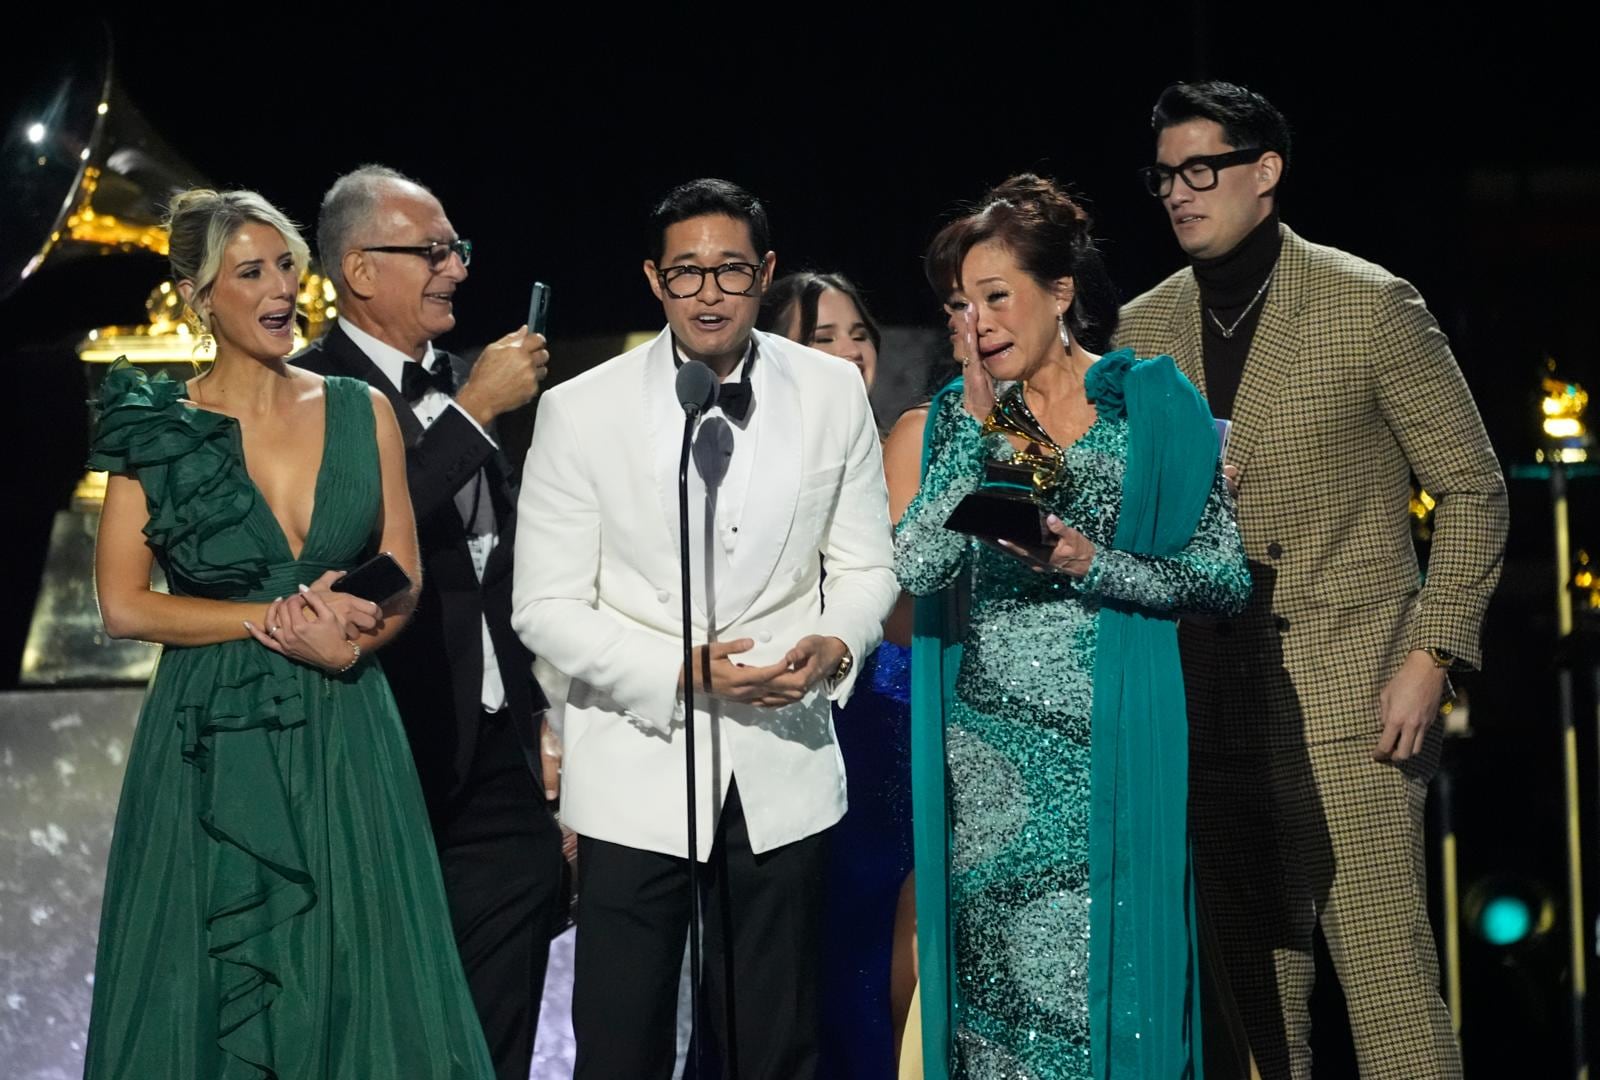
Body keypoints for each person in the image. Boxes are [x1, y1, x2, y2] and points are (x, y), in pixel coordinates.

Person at [1114, 81, 1507, 1080]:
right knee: (1251, 1024)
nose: (1179, 191)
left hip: (1353, 701)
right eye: (1164, 176)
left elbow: (1472, 487)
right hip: (1201, 709)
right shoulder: (1140, 330)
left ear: (1265, 171)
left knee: (1389, 1001)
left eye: (1200, 169)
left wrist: (1432, 654)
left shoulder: (1367, 305)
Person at [83, 189, 493, 1078]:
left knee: (362, 977)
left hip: (348, 724)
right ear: (198, 297)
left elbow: (402, 572)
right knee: (206, 984)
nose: (280, 291)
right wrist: (269, 620)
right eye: (251, 273)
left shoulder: (360, 408)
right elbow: (123, 604)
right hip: (211, 742)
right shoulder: (157, 426)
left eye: (287, 269)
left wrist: (356, 643)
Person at [511, 178, 898, 1080]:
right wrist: (679, 670)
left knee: (776, 1048)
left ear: (765, 272)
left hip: (783, 765)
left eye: (730, 270)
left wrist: (839, 640)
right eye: (686, 272)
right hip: (633, 769)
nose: (709, 293)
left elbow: (867, 566)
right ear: (655, 280)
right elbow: (545, 605)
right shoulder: (582, 409)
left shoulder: (830, 391)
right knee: (621, 1049)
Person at [894, 173, 1252, 1079]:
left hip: (1114, 736)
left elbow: (1224, 579)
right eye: (961, 305)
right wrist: (979, 436)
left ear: (1060, 293)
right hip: (992, 763)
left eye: (996, 296)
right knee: (1001, 1003)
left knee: (1110, 988)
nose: (978, 323)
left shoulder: (1149, 406)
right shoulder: (957, 419)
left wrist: (1094, 563)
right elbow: (918, 572)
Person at [291, 164, 565, 1080]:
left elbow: (499, 568)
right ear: (361, 270)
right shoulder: (307, 392)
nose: (457, 268)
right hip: (384, 747)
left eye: (458, 249)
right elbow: (359, 539)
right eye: (434, 251)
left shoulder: (460, 383)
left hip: (496, 755)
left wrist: (541, 717)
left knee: (507, 986)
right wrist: (475, 412)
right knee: (386, 1018)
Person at [760, 271, 915, 1078]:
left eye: (860, 334)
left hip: (900, 712)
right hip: (816, 718)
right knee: (817, 941)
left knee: (889, 936)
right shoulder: (759, 467)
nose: (851, 352)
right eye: (823, 337)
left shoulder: (902, 443)